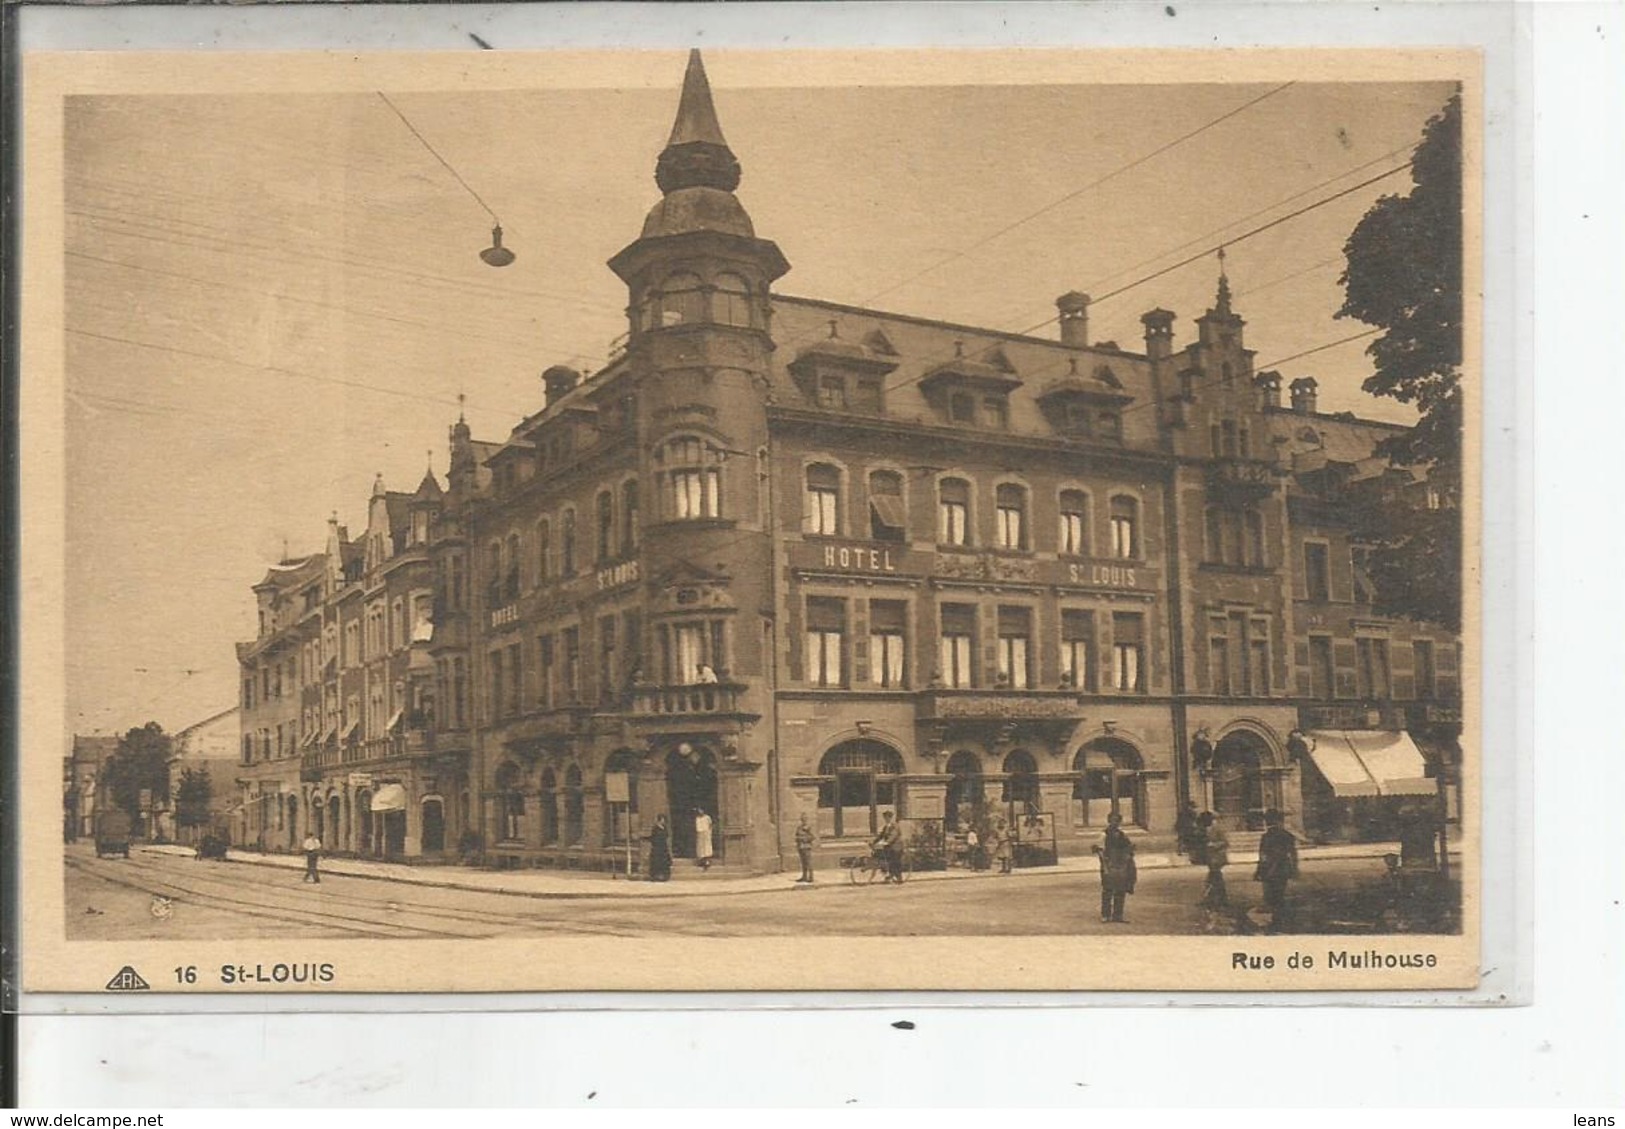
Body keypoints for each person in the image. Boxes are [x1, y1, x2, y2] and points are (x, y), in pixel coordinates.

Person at [1254, 808, 1299, 931]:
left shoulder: (1266, 836)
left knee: (1271, 895)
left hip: (1270, 868)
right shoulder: (1287, 835)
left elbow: (1262, 855)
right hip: (1282, 868)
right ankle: (1279, 919)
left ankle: (1276, 921)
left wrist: (1260, 871)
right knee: (1279, 894)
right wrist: (1295, 868)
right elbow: (1293, 854)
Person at [1094, 812, 1137, 923]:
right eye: (1113, 820)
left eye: (1117, 821)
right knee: (1108, 890)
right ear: (1109, 821)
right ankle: (1105, 915)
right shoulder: (1104, 835)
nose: (1115, 823)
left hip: (1121, 865)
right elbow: (1100, 851)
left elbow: (1129, 848)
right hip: (1109, 864)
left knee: (1120, 889)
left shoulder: (1122, 835)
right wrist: (1104, 866)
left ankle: (1118, 915)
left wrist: (1129, 854)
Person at [1198, 811, 1229, 909]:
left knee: (1215, 878)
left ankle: (1219, 900)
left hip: (1217, 857)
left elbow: (1225, 842)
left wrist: (1214, 845)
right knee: (1214, 878)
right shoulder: (1204, 830)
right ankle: (1215, 899)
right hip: (1210, 858)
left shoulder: (1217, 829)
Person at [872, 810, 904, 883]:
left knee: (895, 861)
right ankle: (889, 874)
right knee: (884, 859)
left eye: (887, 817)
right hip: (889, 846)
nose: (886, 819)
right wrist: (874, 842)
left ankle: (899, 878)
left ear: (890, 818)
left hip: (896, 846)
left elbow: (893, 835)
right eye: (885, 818)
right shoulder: (886, 827)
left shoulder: (895, 826)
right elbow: (881, 836)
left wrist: (887, 842)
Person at [647, 814, 672, 882]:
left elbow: (667, 836)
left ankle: (664, 876)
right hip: (657, 847)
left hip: (663, 847)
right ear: (659, 820)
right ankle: (655, 877)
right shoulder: (655, 828)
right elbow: (653, 837)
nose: (663, 821)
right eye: (662, 819)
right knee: (656, 861)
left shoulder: (664, 827)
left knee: (664, 862)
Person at [794, 813, 816, 883]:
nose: (803, 820)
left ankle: (811, 877)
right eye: (802, 819)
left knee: (808, 862)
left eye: (805, 819)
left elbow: (812, 837)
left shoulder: (809, 828)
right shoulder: (799, 828)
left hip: (806, 847)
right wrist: (797, 839)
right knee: (803, 863)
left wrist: (805, 839)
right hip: (800, 847)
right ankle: (804, 877)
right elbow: (797, 835)